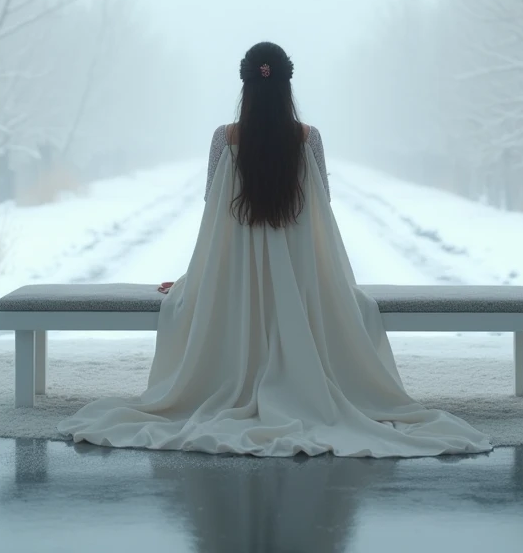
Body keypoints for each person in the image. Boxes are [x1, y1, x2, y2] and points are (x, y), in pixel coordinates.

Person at [58, 41, 493, 458]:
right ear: (287, 86)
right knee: (356, 309)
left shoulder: (223, 139)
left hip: (235, 286)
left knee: (184, 312)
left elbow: (214, 215)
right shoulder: (309, 139)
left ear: (245, 86)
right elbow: (324, 206)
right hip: (301, 282)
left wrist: (197, 279)